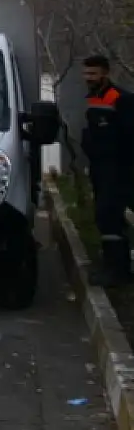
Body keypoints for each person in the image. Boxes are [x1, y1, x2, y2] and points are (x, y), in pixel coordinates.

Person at [81, 55, 134, 287]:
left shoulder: (120, 99)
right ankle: (111, 265)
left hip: (118, 170)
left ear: (105, 73)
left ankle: (118, 271)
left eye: (93, 74)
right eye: (86, 74)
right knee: (104, 218)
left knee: (110, 216)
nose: (88, 78)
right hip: (101, 169)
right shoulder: (94, 99)